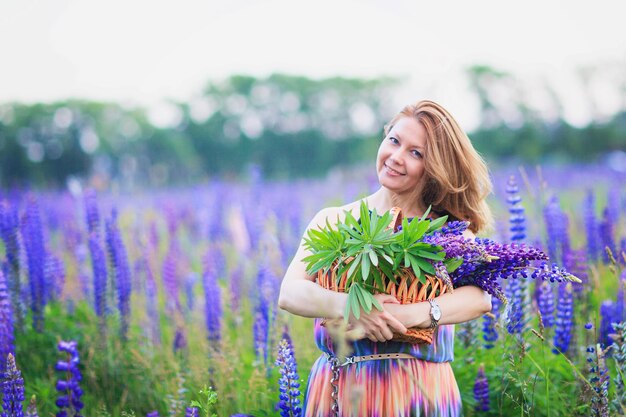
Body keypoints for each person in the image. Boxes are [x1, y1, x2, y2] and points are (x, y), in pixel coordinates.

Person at [278, 99, 494, 416]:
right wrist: (356, 309)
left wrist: (413, 314)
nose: (396, 157)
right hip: (342, 388)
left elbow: (480, 299)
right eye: (394, 140)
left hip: (421, 394)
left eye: (415, 153)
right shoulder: (335, 220)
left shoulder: (448, 232)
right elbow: (290, 293)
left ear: (434, 167)